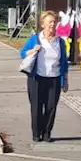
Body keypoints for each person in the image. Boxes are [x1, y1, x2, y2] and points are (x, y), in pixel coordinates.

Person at [21, 11, 69, 143]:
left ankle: (47, 132)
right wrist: (33, 50)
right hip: (36, 79)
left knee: (51, 107)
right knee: (36, 107)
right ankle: (36, 133)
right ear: (43, 24)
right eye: (49, 22)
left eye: (54, 22)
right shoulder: (35, 39)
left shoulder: (59, 42)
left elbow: (64, 62)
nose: (52, 25)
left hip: (54, 78)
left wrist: (65, 79)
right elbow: (23, 53)